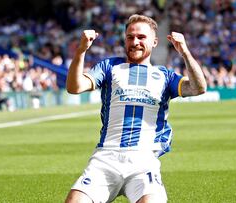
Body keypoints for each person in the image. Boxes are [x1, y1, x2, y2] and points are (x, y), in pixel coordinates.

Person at [65, 14, 207, 203]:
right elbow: (74, 87)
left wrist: (185, 53)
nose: (135, 42)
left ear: (154, 42)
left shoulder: (164, 76)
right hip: (106, 157)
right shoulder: (109, 67)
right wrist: (81, 51)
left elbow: (199, 88)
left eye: (141, 37)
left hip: (143, 161)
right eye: (130, 37)